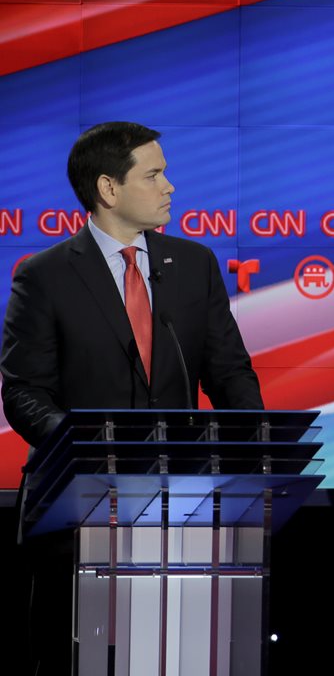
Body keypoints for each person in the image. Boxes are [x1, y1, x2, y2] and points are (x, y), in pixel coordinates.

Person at [1, 121, 264, 674]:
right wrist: (87, 450)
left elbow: (230, 374)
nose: (170, 186)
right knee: (83, 661)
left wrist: (252, 449)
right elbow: (25, 392)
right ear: (108, 188)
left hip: (181, 505)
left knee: (175, 658)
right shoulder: (45, 276)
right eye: (154, 175)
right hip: (80, 508)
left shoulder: (193, 265)